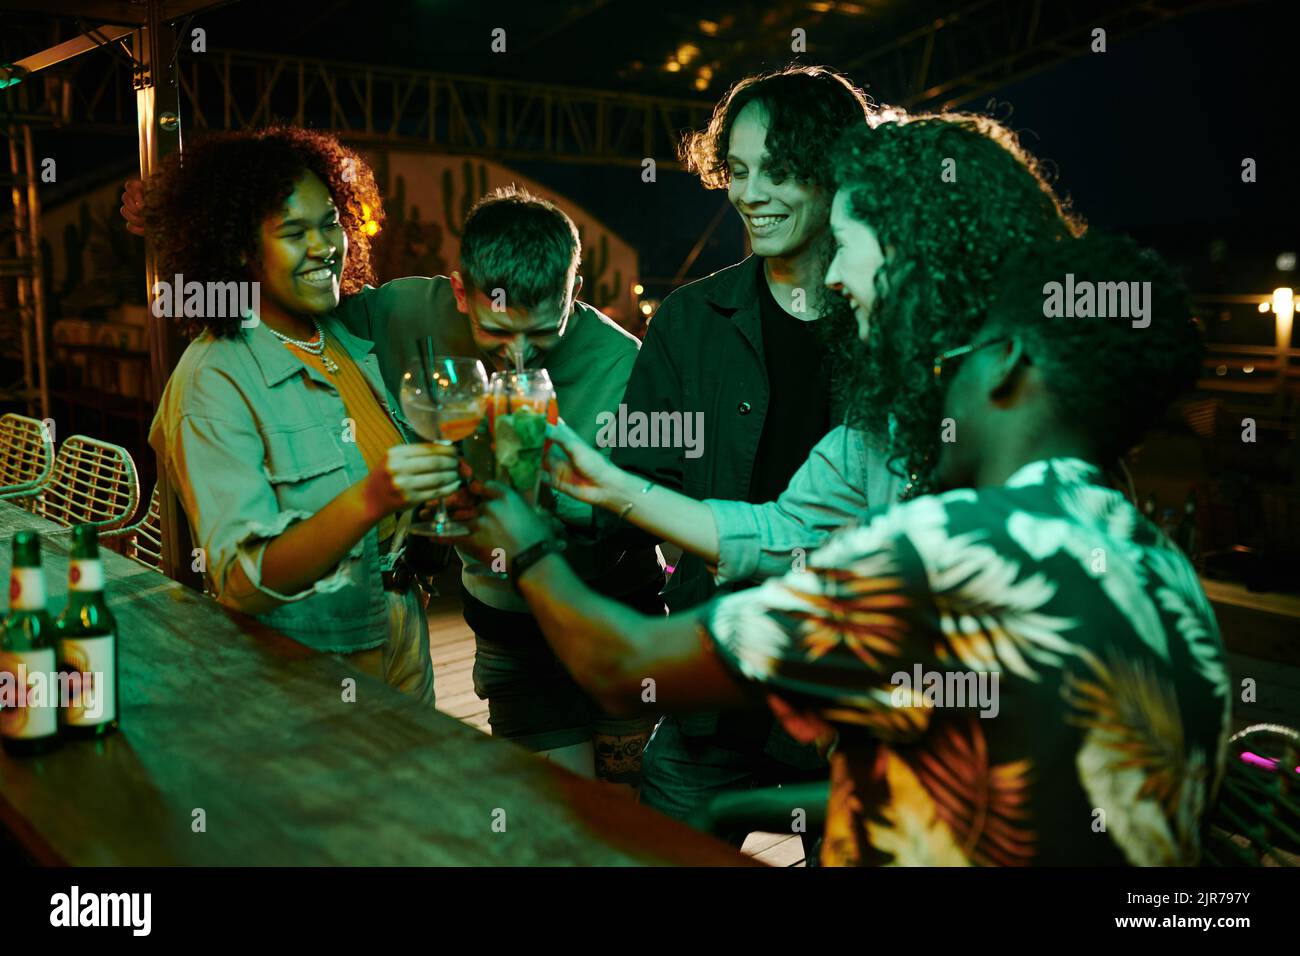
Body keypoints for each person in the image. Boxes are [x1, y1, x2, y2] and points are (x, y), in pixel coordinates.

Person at [464, 213, 1230, 865]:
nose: (913, 391)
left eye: (936, 362)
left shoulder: (948, 550)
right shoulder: (1156, 562)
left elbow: (623, 664)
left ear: (1008, 364)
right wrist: (608, 482)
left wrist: (525, 541)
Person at [129, 164, 661, 781]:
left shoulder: (625, 363)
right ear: (462, 294)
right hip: (473, 636)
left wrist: (559, 502)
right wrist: (185, 218)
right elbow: (285, 303)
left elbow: (661, 501)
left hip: (599, 619)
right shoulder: (395, 315)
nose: (518, 356)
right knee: (549, 811)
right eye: (495, 332)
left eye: (329, 223)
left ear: (574, 293)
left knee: (626, 811)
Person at [611, 64, 878, 830]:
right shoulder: (690, 321)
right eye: (736, 169)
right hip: (715, 693)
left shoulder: (893, 329)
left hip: (850, 705)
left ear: (839, 173)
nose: (747, 194)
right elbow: (635, 482)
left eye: (779, 170)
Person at [145, 127, 456, 700]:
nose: (323, 247)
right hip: (308, 670)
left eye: (330, 223)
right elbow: (243, 582)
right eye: (293, 232)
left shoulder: (348, 339)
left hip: (401, 638)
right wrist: (372, 499)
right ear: (240, 248)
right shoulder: (214, 378)